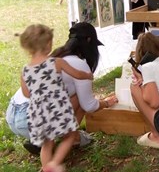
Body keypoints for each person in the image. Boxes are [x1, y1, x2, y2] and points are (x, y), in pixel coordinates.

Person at [6, 22, 118, 156]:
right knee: (79, 98)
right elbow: (88, 105)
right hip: (29, 120)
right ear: (89, 42)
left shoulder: (55, 56)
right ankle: (72, 138)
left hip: (13, 114)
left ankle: (40, 141)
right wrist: (106, 103)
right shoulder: (79, 64)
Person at [19, 24, 93, 172]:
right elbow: (77, 74)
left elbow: (26, 93)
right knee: (70, 135)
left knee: (47, 144)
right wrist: (87, 75)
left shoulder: (25, 70)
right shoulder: (56, 62)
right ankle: (54, 164)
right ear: (47, 44)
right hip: (57, 109)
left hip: (38, 113)